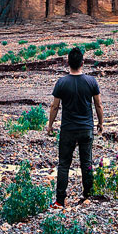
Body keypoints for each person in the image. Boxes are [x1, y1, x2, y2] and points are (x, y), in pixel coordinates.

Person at [45, 46, 103, 207]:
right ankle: (88, 196)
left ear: (68, 63)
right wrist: (100, 123)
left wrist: (50, 125)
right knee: (87, 163)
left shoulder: (62, 82)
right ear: (82, 63)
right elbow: (98, 105)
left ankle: (60, 200)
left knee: (64, 164)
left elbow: (54, 107)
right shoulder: (91, 81)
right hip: (86, 129)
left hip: (68, 129)